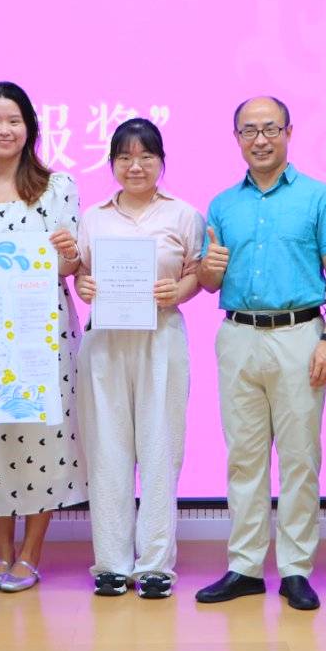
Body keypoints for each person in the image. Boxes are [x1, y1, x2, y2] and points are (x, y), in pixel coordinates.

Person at [194, 96, 326, 612]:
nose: (260, 139)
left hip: (300, 334)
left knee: (300, 457)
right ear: (236, 138)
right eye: (249, 131)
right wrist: (209, 269)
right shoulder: (222, 205)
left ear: (288, 132)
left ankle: (295, 569)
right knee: (243, 456)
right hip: (237, 333)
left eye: (269, 129)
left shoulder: (319, 196)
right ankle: (244, 566)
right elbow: (209, 280)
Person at [0, 81, 84, 593]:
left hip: (41, 333)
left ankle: (30, 554)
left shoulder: (57, 186)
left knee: (42, 436)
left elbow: (68, 267)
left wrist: (69, 253)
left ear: (29, 128)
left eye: (14, 121)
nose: (4, 130)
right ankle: (1, 553)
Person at [75, 118, 204, 599]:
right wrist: (84, 286)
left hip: (161, 337)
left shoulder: (184, 214)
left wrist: (179, 291)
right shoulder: (93, 217)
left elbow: (196, 273)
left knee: (160, 449)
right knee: (107, 451)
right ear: (112, 163)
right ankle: (111, 563)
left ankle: (154, 566)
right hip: (106, 342)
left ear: (161, 162)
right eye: (125, 157)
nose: (135, 166)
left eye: (146, 156)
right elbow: (81, 275)